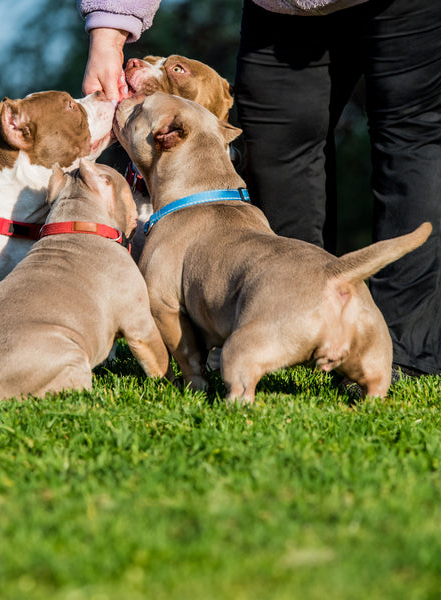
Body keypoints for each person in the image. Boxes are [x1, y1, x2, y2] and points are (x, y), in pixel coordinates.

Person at [78, 0, 441, 379]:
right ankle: (289, 328)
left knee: (411, 142)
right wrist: (108, 32)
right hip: (284, 10)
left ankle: (404, 349)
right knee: (276, 148)